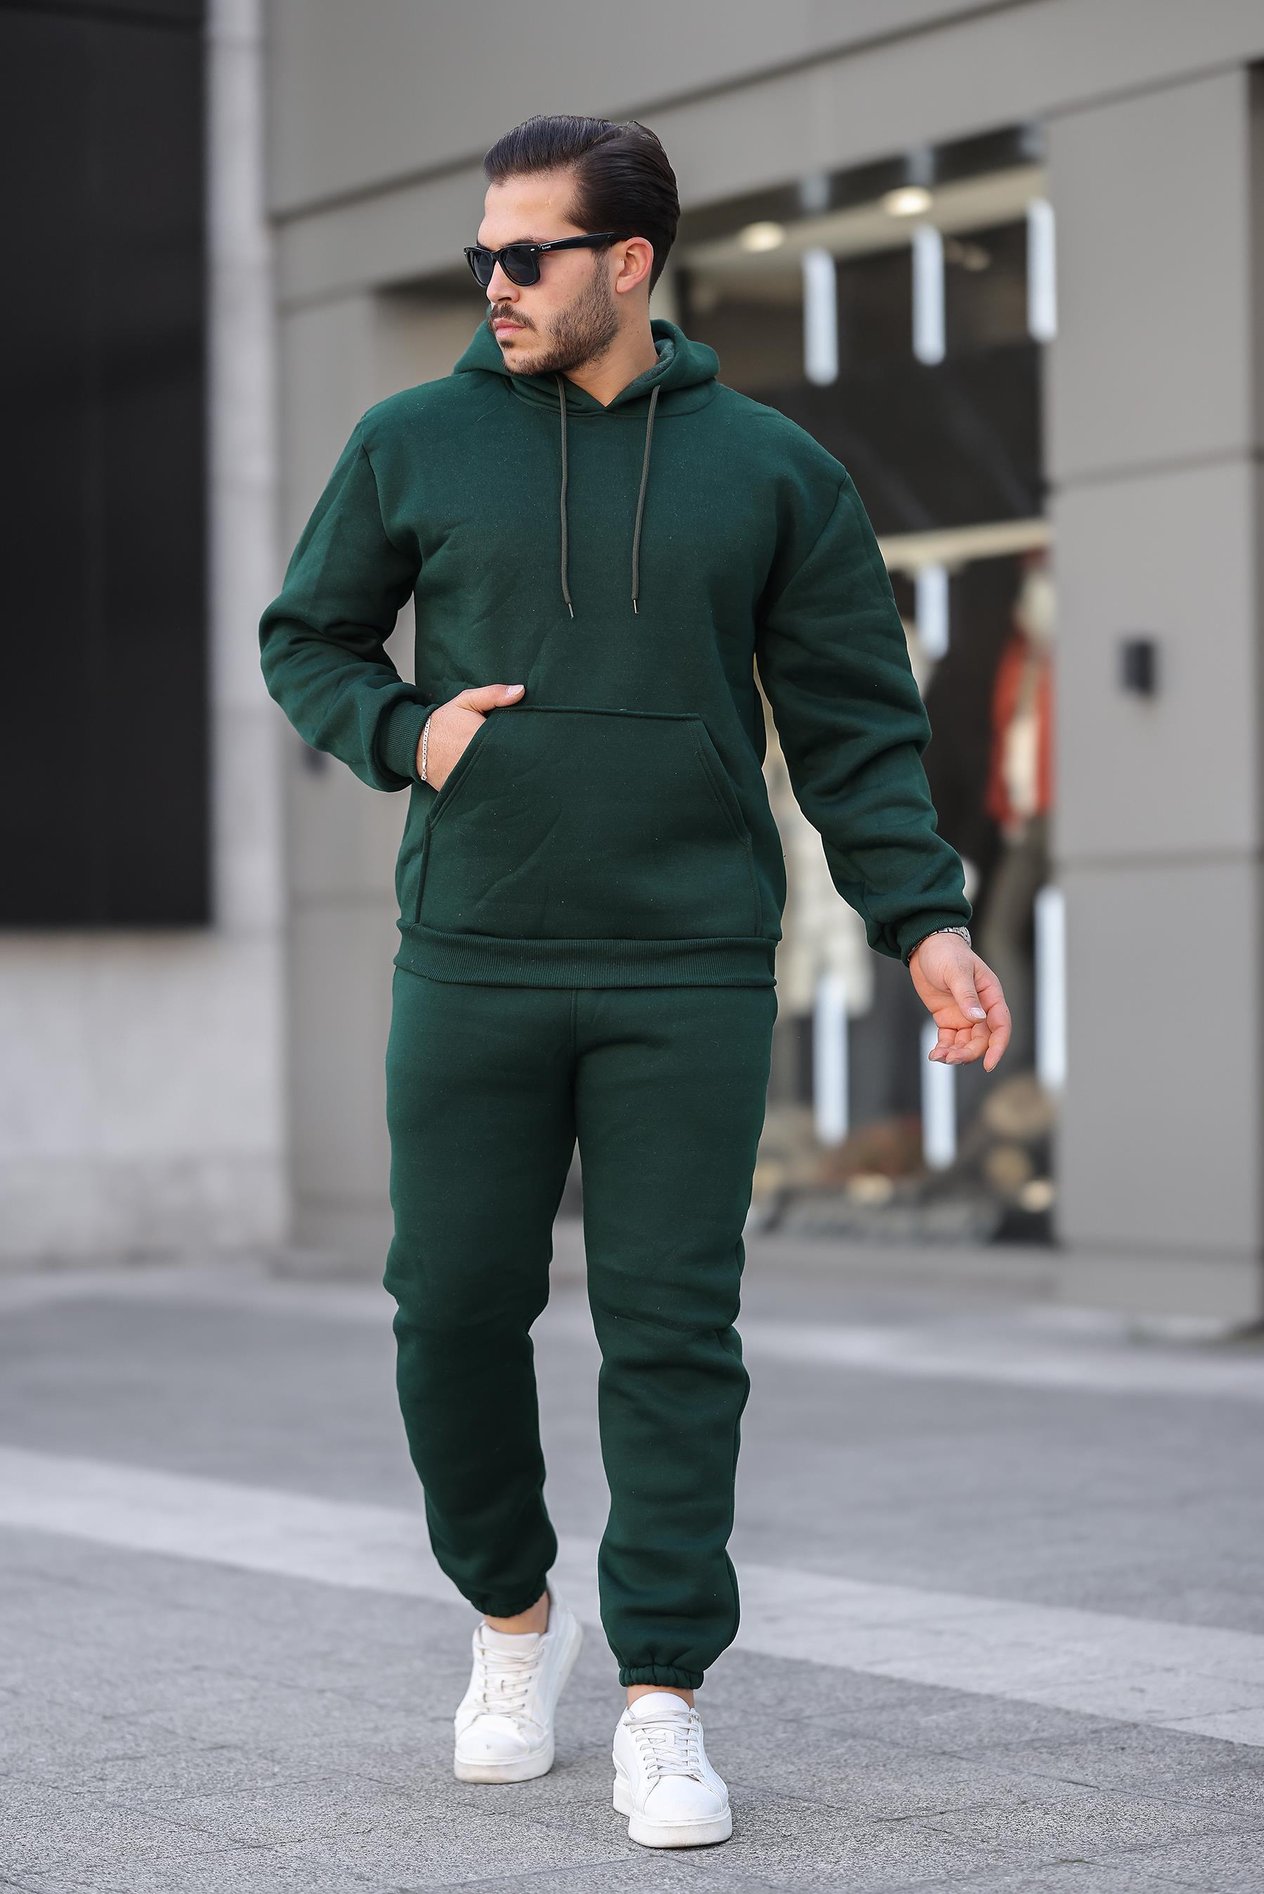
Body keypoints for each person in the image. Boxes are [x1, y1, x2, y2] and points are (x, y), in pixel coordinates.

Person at [258, 112, 1010, 1852]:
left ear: (628, 262)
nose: (495, 282)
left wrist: (926, 920)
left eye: (527, 255)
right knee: (450, 1310)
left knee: (674, 1333)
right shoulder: (412, 440)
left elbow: (855, 726)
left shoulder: (773, 470)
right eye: (482, 255)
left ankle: (663, 1697)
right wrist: (405, 729)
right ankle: (514, 1619)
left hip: (688, 967)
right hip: (473, 955)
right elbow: (308, 636)